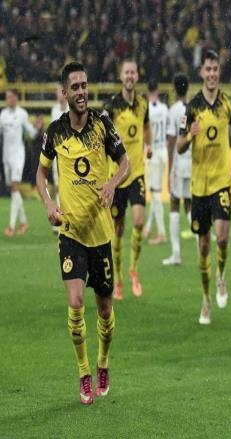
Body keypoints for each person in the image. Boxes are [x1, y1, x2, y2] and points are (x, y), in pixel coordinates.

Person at [36, 61, 129, 405]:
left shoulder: (103, 124)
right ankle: (85, 371)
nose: (81, 92)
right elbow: (40, 175)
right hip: (71, 232)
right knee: (75, 303)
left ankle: (103, 362)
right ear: (64, 92)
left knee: (104, 310)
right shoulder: (55, 132)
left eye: (84, 86)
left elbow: (126, 163)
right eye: (74, 87)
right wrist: (48, 202)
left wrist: (112, 184)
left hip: (101, 235)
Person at [177, 49, 231, 324]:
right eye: (208, 69)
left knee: (223, 238)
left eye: (216, 69)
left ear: (218, 71)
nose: (212, 73)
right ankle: (206, 300)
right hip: (199, 187)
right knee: (204, 246)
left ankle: (221, 277)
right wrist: (189, 137)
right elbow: (179, 146)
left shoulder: (228, 103)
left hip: (221, 182)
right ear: (202, 72)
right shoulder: (192, 107)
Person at [103, 60, 152, 300]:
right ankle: (119, 279)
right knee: (119, 230)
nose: (130, 76)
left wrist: (149, 145)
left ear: (137, 75)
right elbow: (102, 135)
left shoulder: (143, 103)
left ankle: (133, 269)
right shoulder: (112, 106)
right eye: (127, 72)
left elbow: (146, 127)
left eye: (133, 72)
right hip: (118, 175)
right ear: (121, 76)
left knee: (139, 222)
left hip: (137, 172)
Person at [162, 73, 192, 266]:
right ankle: (201, 241)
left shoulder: (172, 111)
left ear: (174, 88)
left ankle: (176, 254)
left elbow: (172, 141)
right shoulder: (193, 108)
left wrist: (170, 169)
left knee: (174, 203)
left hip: (179, 163)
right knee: (189, 204)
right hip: (192, 162)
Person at [0, 88, 38, 236]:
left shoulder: (22, 114)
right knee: (13, 189)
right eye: (6, 97)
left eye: (10, 96)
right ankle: (23, 222)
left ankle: (11, 226)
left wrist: (37, 128)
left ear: (16, 98)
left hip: (18, 155)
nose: (8, 99)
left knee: (15, 186)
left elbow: (31, 133)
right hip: (6, 157)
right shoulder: (3, 114)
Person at [144, 80, 169, 245]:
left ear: (147, 92)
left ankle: (161, 233)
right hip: (163, 151)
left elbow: (145, 131)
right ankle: (148, 226)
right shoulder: (164, 109)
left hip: (152, 152)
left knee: (155, 193)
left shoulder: (146, 109)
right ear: (158, 91)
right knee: (156, 191)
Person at [50, 84, 69, 231]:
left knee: (69, 188)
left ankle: (69, 218)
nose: (59, 95)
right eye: (58, 92)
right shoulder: (54, 110)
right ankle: (59, 220)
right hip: (57, 154)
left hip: (71, 154)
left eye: (61, 92)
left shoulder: (71, 109)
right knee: (58, 187)